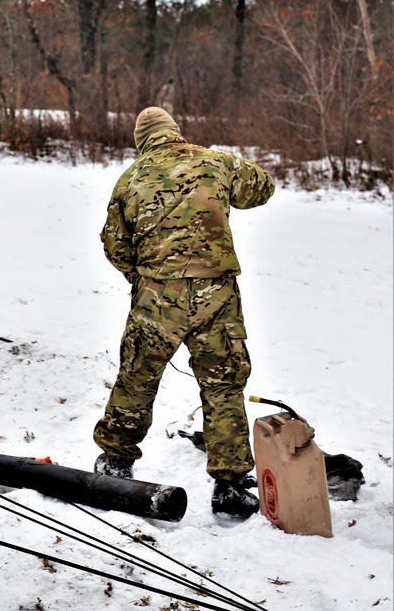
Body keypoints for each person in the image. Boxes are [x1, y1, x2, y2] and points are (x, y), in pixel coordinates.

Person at [92, 106, 275, 519]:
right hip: (218, 295)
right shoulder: (216, 162)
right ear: (175, 131)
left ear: (142, 141)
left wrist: (143, 279)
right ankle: (230, 487)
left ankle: (116, 461)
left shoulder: (131, 179)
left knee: (138, 376)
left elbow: (114, 245)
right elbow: (262, 187)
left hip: (158, 296)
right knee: (223, 385)